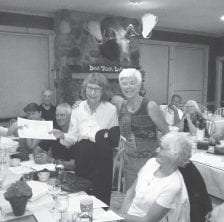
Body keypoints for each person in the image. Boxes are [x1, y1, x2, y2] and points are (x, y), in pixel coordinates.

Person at [119, 132, 191, 222]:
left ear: (173, 155)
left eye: (162, 148)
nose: (157, 150)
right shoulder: (151, 163)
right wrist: (122, 217)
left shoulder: (173, 184)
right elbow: (131, 192)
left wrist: (118, 217)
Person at [53, 73, 120, 205]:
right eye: (90, 88)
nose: (93, 92)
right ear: (85, 89)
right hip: (83, 157)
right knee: (82, 196)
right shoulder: (78, 109)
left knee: (102, 197)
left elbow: (113, 137)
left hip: (102, 158)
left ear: (103, 91)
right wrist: (63, 135)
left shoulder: (111, 109)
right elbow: (73, 137)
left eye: (97, 89)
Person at [113, 68, 169, 191]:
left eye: (132, 83)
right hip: (130, 163)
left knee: (147, 199)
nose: (128, 87)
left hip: (150, 163)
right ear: (120, 86)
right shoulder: (121, 106)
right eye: (124, 83)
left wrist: (161, 155)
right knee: (130, 198)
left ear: (139, 85)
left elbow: (167, 132)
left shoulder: (150, 106)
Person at [33, 103, 77, 170]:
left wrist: (52, 161)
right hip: (53, 169)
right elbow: (37, 149)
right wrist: (38, 158)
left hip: (69, 173)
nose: (59, 118)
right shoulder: (55, 130)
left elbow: (73, 165)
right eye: (57, 115)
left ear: (70, 117)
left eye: (62, 115)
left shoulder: (75, 135)